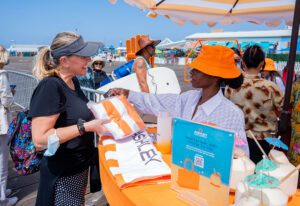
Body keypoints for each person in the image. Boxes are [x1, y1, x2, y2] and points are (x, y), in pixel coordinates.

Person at [109, 45, 249, 155]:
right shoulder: (189, 98)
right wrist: (128, 94)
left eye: (198, 70)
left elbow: (240, 156)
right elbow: (157, 102)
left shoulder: (232, 114)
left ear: (215, 77)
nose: (191, 72)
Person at [29, 32, 108, 206]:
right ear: (64, 61)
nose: (89, 59)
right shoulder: (50, 86)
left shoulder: (73, 81)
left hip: (78, 167)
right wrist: (85, 127)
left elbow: (76, 113)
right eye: (83, 55)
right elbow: (40, 139)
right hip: (62, 175)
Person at [225, 45, 283, 164]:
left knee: (239, 173)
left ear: (243, 63)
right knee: (261, 176)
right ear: (262, 63)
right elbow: (281, 111)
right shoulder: (270, 87)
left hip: (237, 140)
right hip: (264, 141)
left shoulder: (231, 87)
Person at [0, 46, 18, 206]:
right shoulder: (2, 75)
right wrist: (12, 94)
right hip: (0, 122)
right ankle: (2, 198)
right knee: (2, 160)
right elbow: (6, 100)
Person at [288, 79, 300, 166]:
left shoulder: (296, 84)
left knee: (296, 152)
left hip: (297, 126)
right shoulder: (296, 84)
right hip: (297, 126)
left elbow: (288, 103)